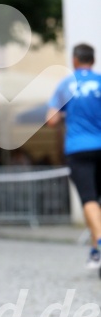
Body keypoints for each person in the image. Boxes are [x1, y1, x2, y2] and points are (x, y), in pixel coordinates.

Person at [47, 43, 101, 271]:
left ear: (75, 60)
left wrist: (65, 113)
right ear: (93, 60)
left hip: (78, 148)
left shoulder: (66, 84)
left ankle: (98, 243)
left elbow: (51, 119)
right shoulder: (99, 82)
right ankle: (94, 250)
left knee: (89, 199)